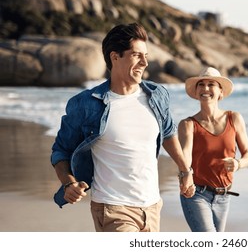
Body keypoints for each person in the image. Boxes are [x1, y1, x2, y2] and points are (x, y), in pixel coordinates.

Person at [50, 23, 195, 232]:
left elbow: (168, 132)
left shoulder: (157, 95)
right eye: (136, 55)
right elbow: (61, 151)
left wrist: (185, 170)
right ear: (115, 57)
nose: (144, 63)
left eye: (145, 56)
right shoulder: (86, 103)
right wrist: (68, 183)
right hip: (113, 208)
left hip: (152, 206)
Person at [178, 67, 248, 232]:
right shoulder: (188, 124)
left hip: (224, 196)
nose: (205, 88)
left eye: (211, 84)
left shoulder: (234, 118)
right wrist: (185, 174)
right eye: (201, 84)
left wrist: (238, 164)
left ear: (220, 92)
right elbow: (185, 156)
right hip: (196, 193)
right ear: (196, 91)